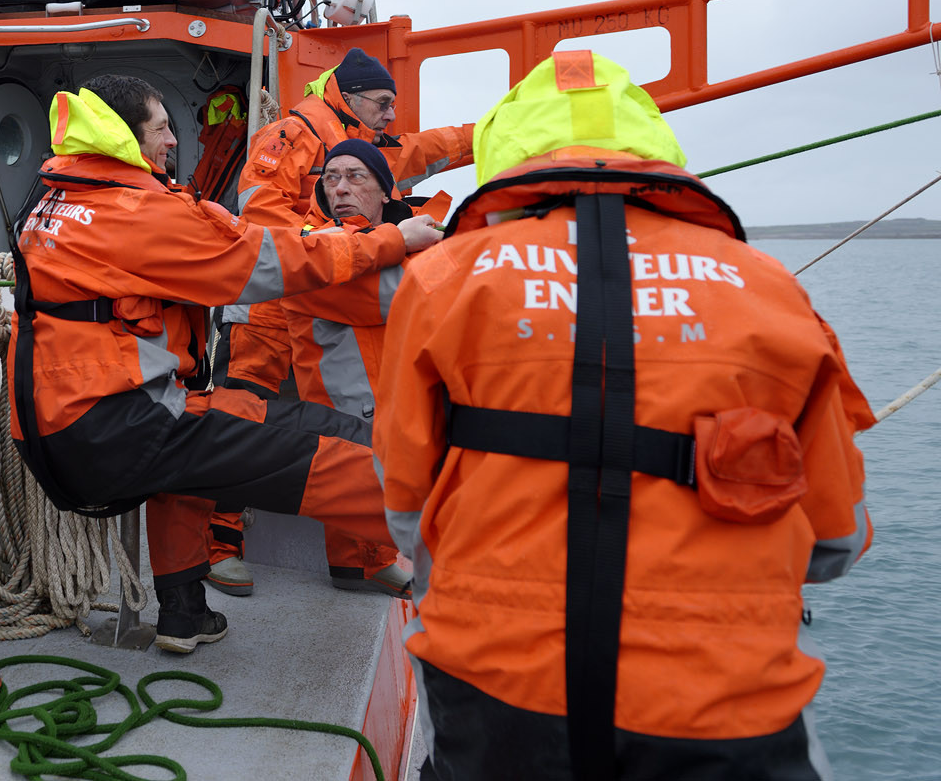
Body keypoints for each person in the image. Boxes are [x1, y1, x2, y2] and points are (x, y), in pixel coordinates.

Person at [374, 50, 874, 779]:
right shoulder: (770, 289)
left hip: (497, 689)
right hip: (721, 706)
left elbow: (403, 502)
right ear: (655, 147)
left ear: (507, 153)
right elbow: (836, 538)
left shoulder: (444, 278)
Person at [7, 73, 441, 653]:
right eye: (161, 128)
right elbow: (261, 262)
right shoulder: (137, 210)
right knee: (335, 445)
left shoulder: (52, 199)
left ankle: (183, 616)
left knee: (201, 448)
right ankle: (473, 547)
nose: (172, 141)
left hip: (59, 427)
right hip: (116, 426)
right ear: (124, 137)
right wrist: (392, 240)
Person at [209, 47, 474, 595]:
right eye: (382, 103)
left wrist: (499, 130)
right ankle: (219, 543)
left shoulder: (371, 147)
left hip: (323, 280)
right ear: (349, 97)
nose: (391, 115)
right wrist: (348, 244)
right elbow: (259, 211)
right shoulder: (289, 134)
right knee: (241, 412)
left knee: (349, 418)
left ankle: (361, 557)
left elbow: (433, 147)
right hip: (264, 302)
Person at [278, 140, 432, 595]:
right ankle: (361, 563)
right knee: (353, 467)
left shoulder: (396, 241)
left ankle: (371, 559)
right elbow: (391, 299)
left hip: (390, 390)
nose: (341, 188)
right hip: (344, 395)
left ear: (386, 191)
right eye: (331, 178)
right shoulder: (314, 246)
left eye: (356, 177)